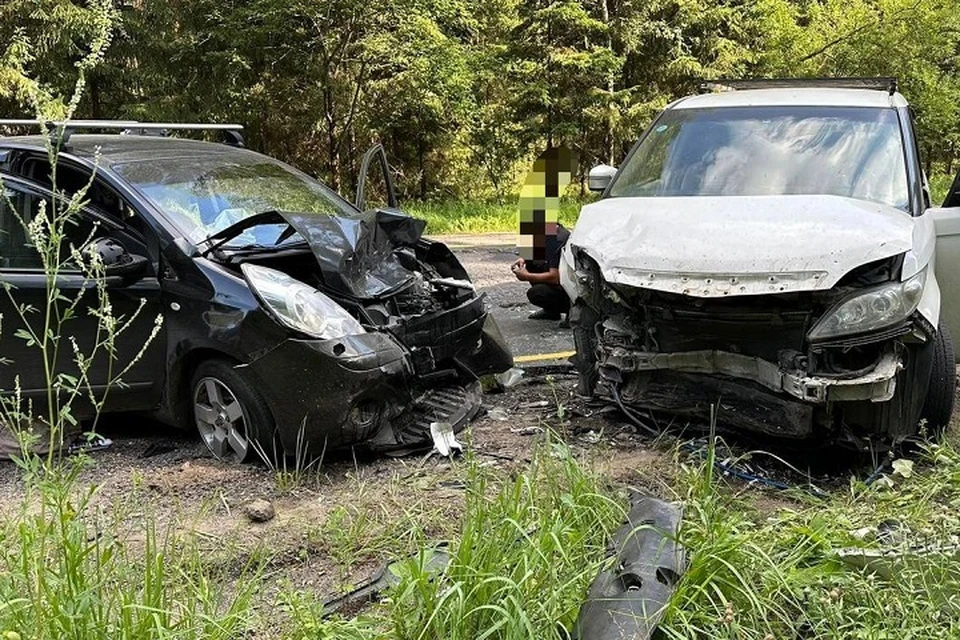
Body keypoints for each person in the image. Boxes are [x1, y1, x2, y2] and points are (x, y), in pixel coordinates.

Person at [511, 221, 571, 321]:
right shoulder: (550, 231)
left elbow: (554, 277)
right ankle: (551, 312)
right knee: (532, 262)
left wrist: (526, 276)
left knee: (536, 293)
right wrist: (524, 259)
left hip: (568, 288)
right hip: (561, 279)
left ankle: (571, 311)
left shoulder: (558, 241)